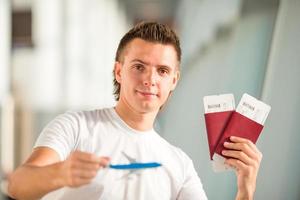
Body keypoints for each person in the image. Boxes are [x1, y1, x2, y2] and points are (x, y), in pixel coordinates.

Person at [7, 21, 262, 200]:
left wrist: (245, 189)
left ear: (174, 80)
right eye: (139, 67)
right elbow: (18, 185)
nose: (150, 80)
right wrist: (60, 173)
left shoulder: (180, 164)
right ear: (119, 71)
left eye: (162, 71)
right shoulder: (75, 127)